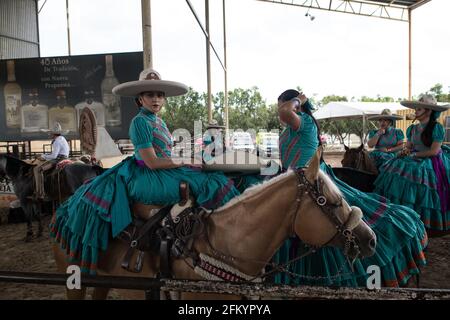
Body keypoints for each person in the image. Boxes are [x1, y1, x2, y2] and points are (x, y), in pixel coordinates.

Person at [50, 68, 240, 274]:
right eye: (150, 95)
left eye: (159, 95)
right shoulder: (140, 122)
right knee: (210, 182)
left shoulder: (158, 121)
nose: (156, 99)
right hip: (147, 175)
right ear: (140, 99)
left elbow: (165, 151)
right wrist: (184, 160)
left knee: (212, 176)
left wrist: (187, 156)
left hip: (162, 171)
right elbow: (151, 162)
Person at [272, 89, 427, 287]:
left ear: (296, 106)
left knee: (333, 223)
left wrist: (299, 99)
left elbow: (286, 112)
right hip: (296, 183)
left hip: (315, 183)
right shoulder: (291, 126)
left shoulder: (304, 121)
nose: (280, 112)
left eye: (281, 106)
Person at [374, 94, 450, 231]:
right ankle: (399, 216)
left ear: (428, 111)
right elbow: (408, 146)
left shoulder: (437, 128)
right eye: (415, 109)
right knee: (394, 167)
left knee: (417, 177)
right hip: (415, 156)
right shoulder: (413, 128)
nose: (415, 112)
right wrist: (403, 152)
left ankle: (421, 220)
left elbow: (433, 151)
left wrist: (414, 154)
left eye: (418, 109)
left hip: (431, 160)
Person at [34, 122, 70, 199]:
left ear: (53, 134)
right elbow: (54, 153)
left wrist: (43, 156)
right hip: (64, 157)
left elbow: (54, 156)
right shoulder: (62, 139)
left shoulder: (56, 141)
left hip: (59, 159)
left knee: (37, 169)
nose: (49, 135)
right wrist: (45, 155)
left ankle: (40, 193)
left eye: (50, 133)